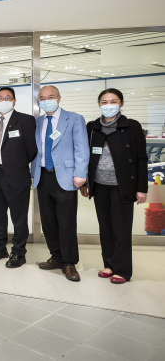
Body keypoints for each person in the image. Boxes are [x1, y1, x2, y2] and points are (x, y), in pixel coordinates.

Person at [81, 88, 148, 284]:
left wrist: (142, 188)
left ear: (121, 104)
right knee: (105, 227)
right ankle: (109, 264)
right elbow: (85, 158)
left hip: (123, 185)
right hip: (99, 185)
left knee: (121, 228)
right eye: (104, 101)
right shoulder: (92, 127)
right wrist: (85, 183)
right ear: (99, 104)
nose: (108, 105)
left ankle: (123, 270)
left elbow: (141, 159)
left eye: (113, 101)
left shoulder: (132, 126)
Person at [31, 85, 89, 281]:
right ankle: (56, 257)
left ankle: (69, 262)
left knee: (66, 222)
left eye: (50, 97)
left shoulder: (74, 119)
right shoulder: (38, 122)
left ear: (59, 98)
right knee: (48, 221)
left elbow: (82, 148)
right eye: (42, 98)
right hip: (42, 176)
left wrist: (81, 174)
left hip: (66, 176)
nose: (46, 100)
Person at [0, 87, 37, 268]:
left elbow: (31, 149)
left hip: (16, 175)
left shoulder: (25, 120)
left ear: (14, 101)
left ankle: (18, 252)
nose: (4, 100)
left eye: (8, 98)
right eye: (0, 98)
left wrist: (16, 164)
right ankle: (0, 248)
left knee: (18, 217)